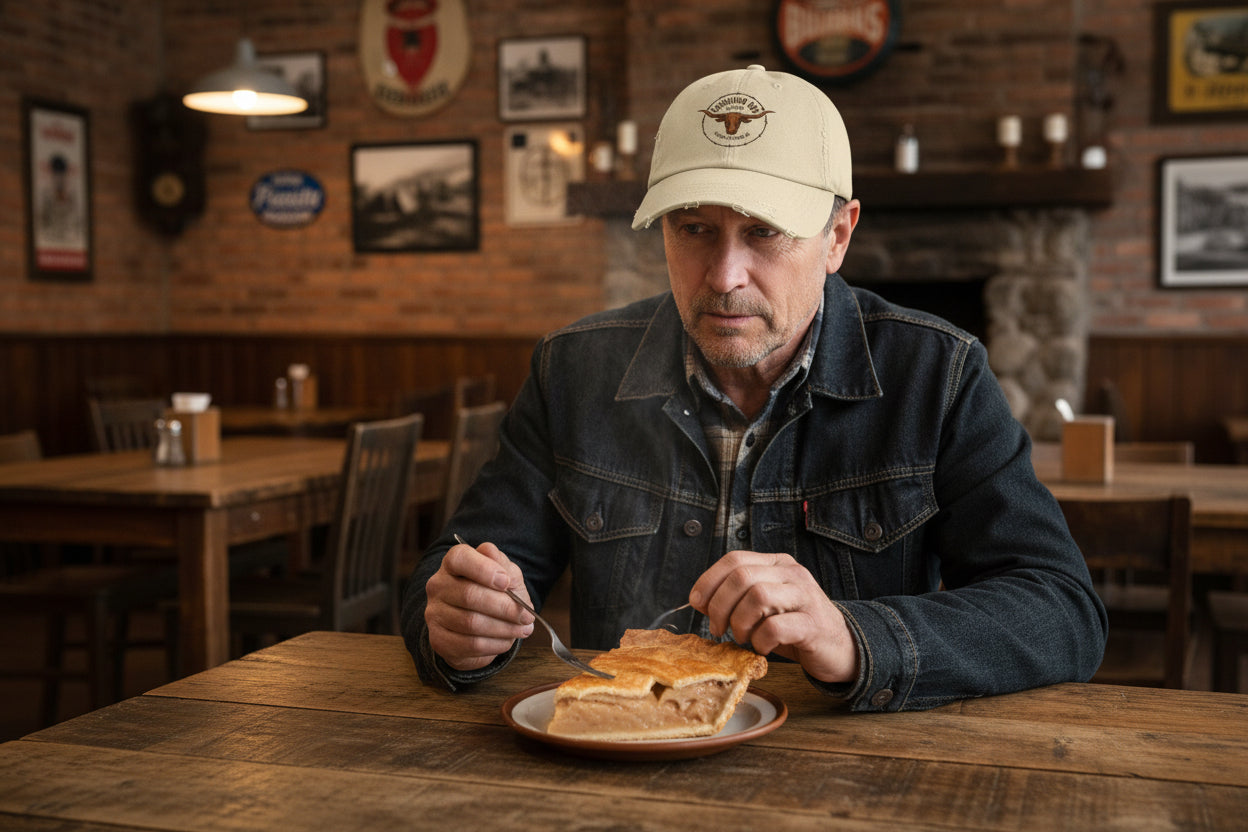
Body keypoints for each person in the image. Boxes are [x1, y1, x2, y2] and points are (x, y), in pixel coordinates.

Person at [401, 64, 1107, 711]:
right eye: (696, 228)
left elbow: (1063, 610)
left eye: (765, 232)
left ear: (838, 237)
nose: (724, 275)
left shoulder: (938, 374)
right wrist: (454, 624)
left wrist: (854, 635)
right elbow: (454, 573)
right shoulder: (572, 370)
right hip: (623, 765)